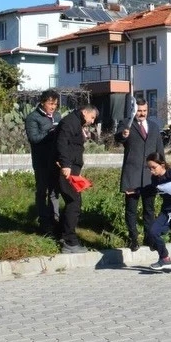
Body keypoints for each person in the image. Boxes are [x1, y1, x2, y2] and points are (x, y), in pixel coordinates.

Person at [115, 97, 165, 251]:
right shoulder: (126, 124)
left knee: (149, 209)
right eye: (139, 111)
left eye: (144, 111)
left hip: (150, 176)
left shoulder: (155, 127)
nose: (142, 114)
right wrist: (123, 134)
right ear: (134, 111)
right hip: (132, 174)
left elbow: (160, 150)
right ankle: (133, 239)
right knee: (131, 209)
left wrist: (163, 170)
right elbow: (118, 138)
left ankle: (150, 239)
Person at [55, 104, 98, 254]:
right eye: (92, 117)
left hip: (73, 168)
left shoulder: (75, 122)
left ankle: (63, 235)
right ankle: (69, 241)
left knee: (72, 201)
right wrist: (66, 165)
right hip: (68, 169)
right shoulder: (70, 122)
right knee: (74, 202)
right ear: (85, 112)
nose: (92, 121)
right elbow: (62, 143)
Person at [24, 89, 61, 236]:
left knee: (54, 191)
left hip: (55, 160)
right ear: (43, 102)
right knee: (42, 191)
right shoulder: (33, 118)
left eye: (55, 104)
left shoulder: (57, 115)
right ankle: (44, 222)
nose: (53, 107)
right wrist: (51, 131)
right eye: (50, 104)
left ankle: (55, 220)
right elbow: (34, 139)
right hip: (41, 161)